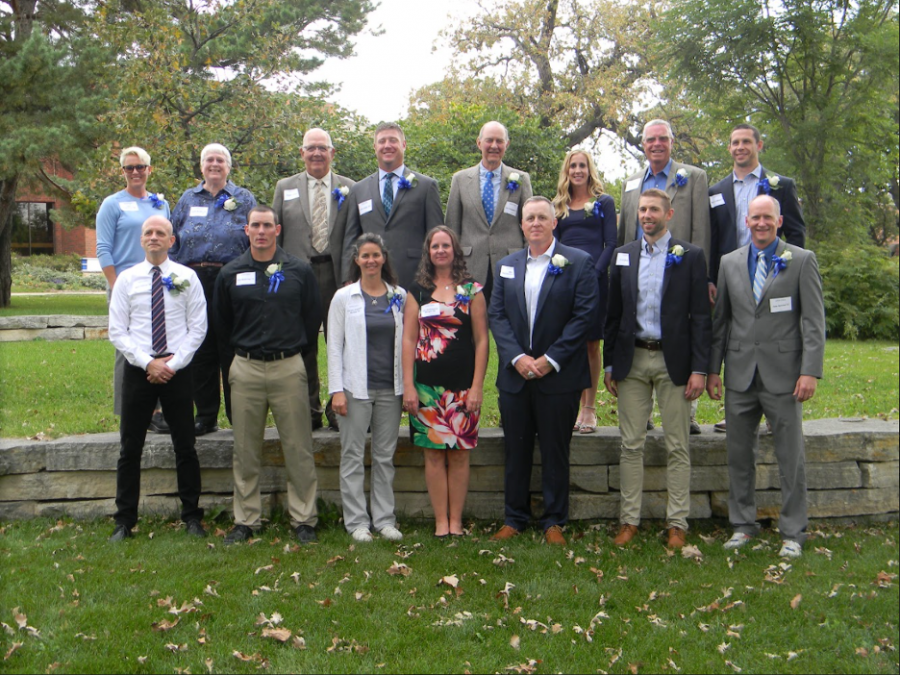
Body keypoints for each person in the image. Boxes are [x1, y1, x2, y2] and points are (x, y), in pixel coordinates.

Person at [707, 195, 825, 559]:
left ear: (779, 220)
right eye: (755, 217)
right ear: (746, 221)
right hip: (740, 375)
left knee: (791, 457)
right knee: (740, 456)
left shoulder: (801, 260)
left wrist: (810, 371)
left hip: (785, 376)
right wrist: (714, 369)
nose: (760, 223)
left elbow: (813, 322)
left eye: (767, 218)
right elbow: (721, 321)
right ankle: (743, 525)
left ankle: (793, 531)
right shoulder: (729, 263)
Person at [603, 189, 711, 549]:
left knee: (677, 445)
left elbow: (701, 317)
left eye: (654, 210)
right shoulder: (623, 256)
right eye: (643, 210)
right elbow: (612, 314)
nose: (647, 215)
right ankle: (629, 520)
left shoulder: (691, 257)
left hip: (674, 361)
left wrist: (700, 367)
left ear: (670, 213)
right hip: (632, 359)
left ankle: (677, 522)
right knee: (631, 444)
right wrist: (609, 363)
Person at [488, 197, 598, 546]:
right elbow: (497, 316)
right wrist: (517, 357)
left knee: (555, 450)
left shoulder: (578, 263)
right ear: (521, 225)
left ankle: (554, 521)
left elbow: (584, 318)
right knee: (515, 450)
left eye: (542, 217)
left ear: (554, 223)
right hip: (515, 377)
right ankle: (514, 518)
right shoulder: (506, 265)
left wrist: (549, 360)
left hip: (559, 377)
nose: (535, 223)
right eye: (529, 218)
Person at [214, 205, 323, 545]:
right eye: (255, 225)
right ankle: (246, 519)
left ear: (278, 230)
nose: (261, 231)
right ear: (246, 231)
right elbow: (221, 324)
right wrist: (235, 362)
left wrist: (294, 354)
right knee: (245, 448)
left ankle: (304, 518)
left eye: (267, 225)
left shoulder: (299, 271)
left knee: (298, 446)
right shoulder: (230, 273)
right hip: (245, 367)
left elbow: (311, 317)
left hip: (288, 366)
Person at [106, 215, 207, 541]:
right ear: (141, 239)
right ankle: (124, 521)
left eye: (160, 233)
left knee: (185, 446)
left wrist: (171, 364)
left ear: (171, 240)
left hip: (177, 371)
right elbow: (117, 331)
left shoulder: (187, 277)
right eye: (148, 232)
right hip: (139, 372)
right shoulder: (126, 280)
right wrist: (148, 362)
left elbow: (198, 329)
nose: (154, 237)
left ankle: (192, 516)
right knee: (129, 447)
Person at [708, 124, 807, 433]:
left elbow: (797, 231)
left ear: (759, 145)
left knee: (770, 334)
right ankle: (739, 408)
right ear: (729, 148)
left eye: (746, 141)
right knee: (736, 335)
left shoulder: (780, 185)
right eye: (735, 142)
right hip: (732, 274)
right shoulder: (716, 191)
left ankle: (771, 405)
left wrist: (792, 271)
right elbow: (712, 239)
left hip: (772, 270)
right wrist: (712, 278)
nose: (740, 147)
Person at [616, 119, 710, 435]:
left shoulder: (693, 177)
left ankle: (688, 413)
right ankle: (640, 412)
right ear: (643, 144)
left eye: (662, 138)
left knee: (682, 333)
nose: (656, 144)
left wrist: (705, 276)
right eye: (650, 139)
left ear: (671, 142)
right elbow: (625, 232)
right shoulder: (631, 183)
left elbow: (701, 229)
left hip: (682, 270)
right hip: (640, 268)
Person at [402, 226, 489, 538]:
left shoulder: (472, 290)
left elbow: (481, 341)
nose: (440, 251)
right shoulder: (417, 291)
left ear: (455, 250)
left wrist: (477, 386)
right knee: (434, 454)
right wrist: (409, 386)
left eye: (446, 245)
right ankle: (441, 522)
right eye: (435, 246)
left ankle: (457, 521)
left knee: (461, 453)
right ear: (428, 251)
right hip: (427, 387)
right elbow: (409, 339)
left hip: (464, 387)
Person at [170, 143, 256, 436]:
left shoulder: (243, 198)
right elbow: (173, 240)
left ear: (229, 167)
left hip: (231, 279)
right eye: (209, 159)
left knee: (231, 348)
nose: (215, 164)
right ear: (202, 166)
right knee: (201, 348)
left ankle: (238, 415)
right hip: (194, 280)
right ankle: (205, 415)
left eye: (220, 160)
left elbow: (256, 238)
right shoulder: (187, 199)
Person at [273, 128, 356, 432]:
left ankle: (341, 409)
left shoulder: (350, 187)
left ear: (332, 153)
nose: (317, 153)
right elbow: (277, 233)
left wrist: (351, 276)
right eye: (311, 148)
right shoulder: (284, 187)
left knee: (341, 343)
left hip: (339, 277)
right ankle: (308, 410)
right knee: (303, 344)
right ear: (302, 152)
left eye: (323, 148)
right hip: (298, 277)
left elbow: (354, 235)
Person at [327, 233, 406, 542]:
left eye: (376, 255)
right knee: (352, 455)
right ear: (357, 260)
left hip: (391, 389)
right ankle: (357, 522)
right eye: (365, 255)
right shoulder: (344, 297)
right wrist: (336, 390)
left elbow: (407, 343)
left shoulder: (399, 295)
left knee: (385, 457)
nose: (371, 260)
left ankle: (385, 519)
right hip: (354, 389)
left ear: (383, 258)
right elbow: (334, 346)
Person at [96, 146, 170, 431]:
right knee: (127, 346)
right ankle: (129, 408)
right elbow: (103, 248)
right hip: (124, 284)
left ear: (149, 170)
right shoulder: (112, 204)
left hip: (156, 282)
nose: (135, 172)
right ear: (123, 172)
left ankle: (157, 410)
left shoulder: (159, 204)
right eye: (130, 168)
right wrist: (117, 286)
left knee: (160, 343)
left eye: (140, 167)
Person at [551, 150, 617, 434]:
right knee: (568, 342)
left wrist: (595, 273)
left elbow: (611, 242)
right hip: (564, 281)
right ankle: (570, 402)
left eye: (583, 165)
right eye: (573, 166)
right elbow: (553, 245)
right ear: (567, 170)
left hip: (594, 278)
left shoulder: (604, 202)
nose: (578, 170)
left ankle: (589, 408)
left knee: (591, 343)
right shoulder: (558, 205)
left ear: (590, 169)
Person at [342, 122, 444, 289]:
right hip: (370, 278)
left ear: (403, 145)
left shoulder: (426, 186)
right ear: (375, 147)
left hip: (416, 277)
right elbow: (351, 238)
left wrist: (439, 275)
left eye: (393, 140)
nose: (387, 146)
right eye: (382, 141)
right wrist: (348, 277)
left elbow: (437, 236)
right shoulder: (358, 189)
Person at [444, 121, 533, 302]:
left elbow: (530, 226)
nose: (494, 146)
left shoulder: (521, 179)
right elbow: (451, 228)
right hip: (469, 266)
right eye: (489, 140)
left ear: (506, 145)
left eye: (499, 141)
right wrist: (452, 267)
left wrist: (528, 261)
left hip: (511, 263)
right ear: (479, 143)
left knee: (509, 324)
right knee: (470, 325)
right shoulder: (460, 180)